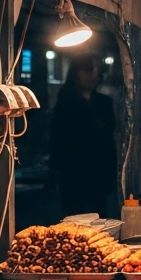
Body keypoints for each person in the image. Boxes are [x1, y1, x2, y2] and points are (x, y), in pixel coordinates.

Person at [49, 55, 118, 218]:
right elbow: (58, 142)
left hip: (99, 176)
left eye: (96, 70)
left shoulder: (104, 103)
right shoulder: (66, 102)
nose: (93, 75)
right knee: (74, 222)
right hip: (73, 176)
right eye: (87, 70)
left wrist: (111, 175)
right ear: (75, 72)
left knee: (100, 221)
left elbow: (110, 141)